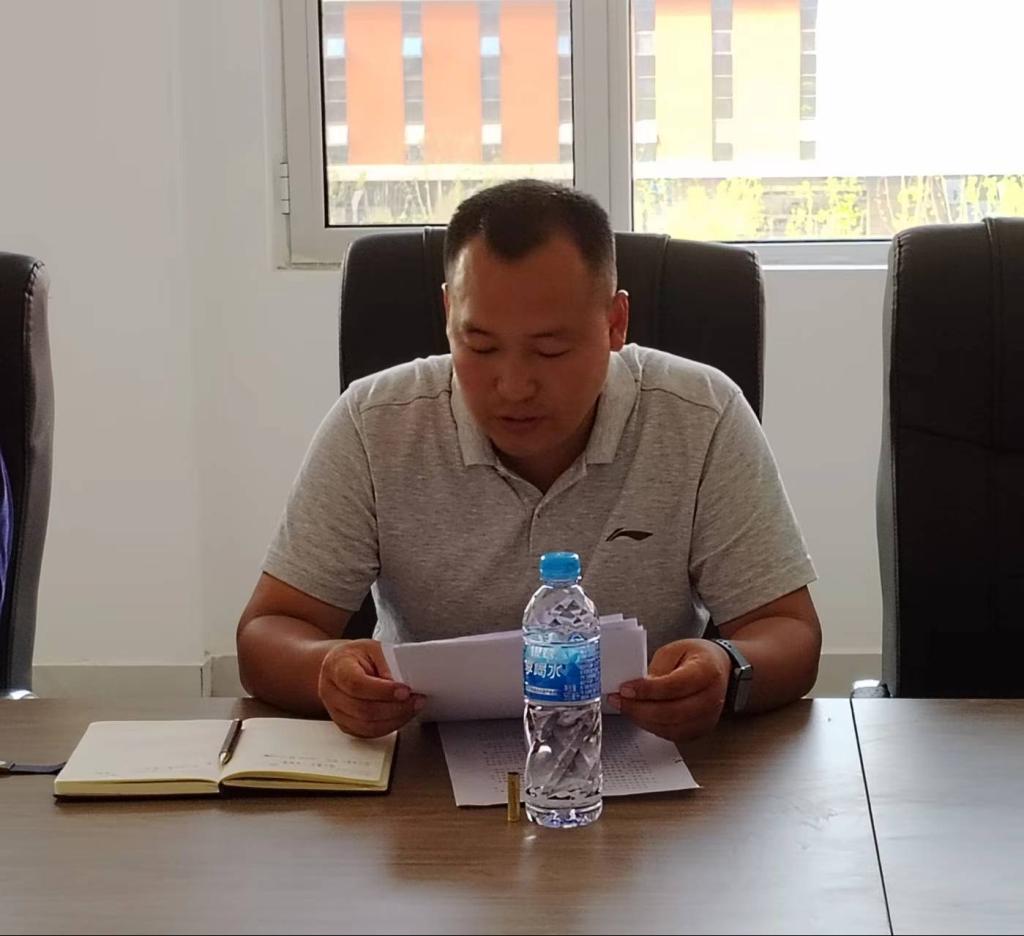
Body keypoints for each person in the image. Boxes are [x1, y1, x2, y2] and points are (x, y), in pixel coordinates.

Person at [237, 179, 820, 743]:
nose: (514, 387)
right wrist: (327, 673)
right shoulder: (375, 423)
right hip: (423, 765)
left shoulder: (700, 414)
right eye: (481, 345)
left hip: (632, 757)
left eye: (551, 350)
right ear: (448, 313)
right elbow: (267, 632)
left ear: (615, 324)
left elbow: (789, 632)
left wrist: (726, 669)